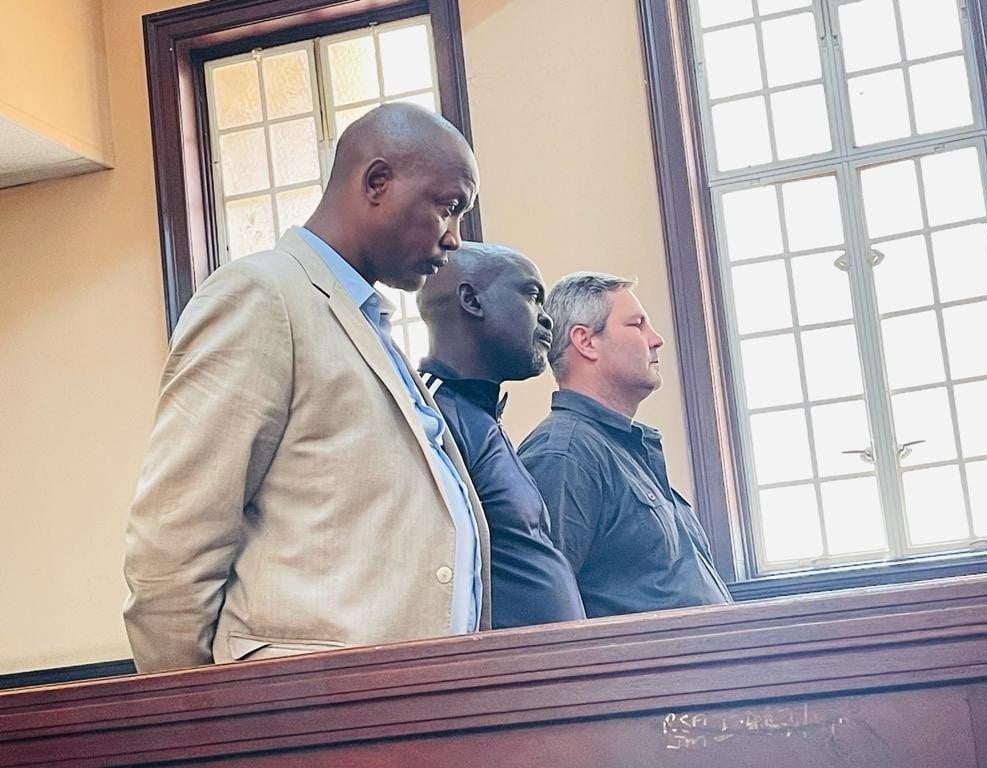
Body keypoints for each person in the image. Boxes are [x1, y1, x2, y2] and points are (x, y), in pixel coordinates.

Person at [123, 104, 491, 674]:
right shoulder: (260, 295)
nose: (453, 238)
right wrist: (198, 728)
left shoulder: (368, 320)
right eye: (449, 207)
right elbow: (172, 547)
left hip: (413, 708)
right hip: (305, 719)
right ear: (377, 183)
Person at [518, 272, 732, 619]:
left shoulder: (623, 452)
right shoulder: (564, 456)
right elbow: (543, 615)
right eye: (637, 325)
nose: (656, 339)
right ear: (586, 342)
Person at [416, 244, 586, 629]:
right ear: (471, 300)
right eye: (531, 295)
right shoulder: (429, 417)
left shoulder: (480, 416)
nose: (547, 321)